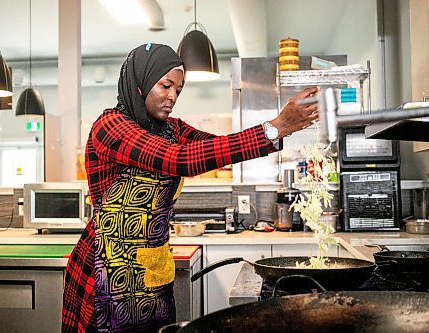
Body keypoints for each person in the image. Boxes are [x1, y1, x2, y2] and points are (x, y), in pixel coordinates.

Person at [62, 42, 319, 332]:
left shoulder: (174, 129)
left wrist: (279, 131)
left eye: (178, 90)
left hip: (152, 272)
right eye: (165, 86)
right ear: (140, 82)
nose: (172, 97)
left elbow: (216, 148)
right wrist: (273, 128)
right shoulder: (111, 126)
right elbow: (181, 159)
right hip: (106, 273)